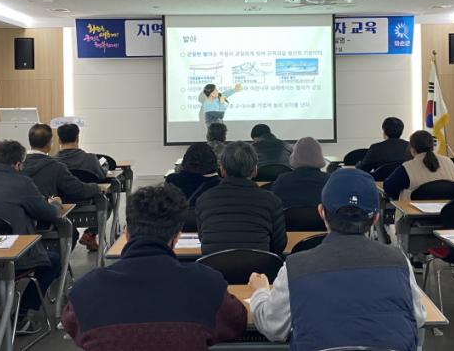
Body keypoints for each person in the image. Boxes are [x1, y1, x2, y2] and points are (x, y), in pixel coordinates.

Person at [249, 168, 425, 350]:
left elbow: (272, 328)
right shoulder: (399, 262)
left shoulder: (295, 268)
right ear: (375, 218)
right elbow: (418, 317)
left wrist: (260, 292)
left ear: (321, 212)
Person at [62, 184, 247, 350]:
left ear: (127, 233)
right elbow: (237, 321)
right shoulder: (207, 284)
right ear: (176, 237)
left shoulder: (86, 290)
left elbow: (72, 327)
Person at [0, 140, 62, 332]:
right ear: (17, 164)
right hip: (15, 256)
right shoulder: (22, 182)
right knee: (53, 261)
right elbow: (48, 214)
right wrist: (56, 204)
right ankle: (23, 314)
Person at [195, 141, 286, 255]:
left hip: (213, 265)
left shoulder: (203, 200)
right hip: (259, 264)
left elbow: (203, 239)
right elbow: (278, 246)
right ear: (255, 170)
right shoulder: (272, 201)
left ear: (222, 170)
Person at [22, 124, 101, 249]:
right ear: (50, 144)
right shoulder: (55, 166)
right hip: (48, 219)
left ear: (29, 142)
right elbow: (78, 190)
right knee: (71, 232)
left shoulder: (18, 166)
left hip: (23, 223)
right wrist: (97, 187)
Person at [384, 130, 454, 201]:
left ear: (412, 149)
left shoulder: (408, 168)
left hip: (414, 210)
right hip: (448, 208)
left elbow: (388, 188)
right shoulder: (449, 161)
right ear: (432, 147)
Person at [271, 137, 329, 208]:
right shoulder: (329, 181)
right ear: (319, 156)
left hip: (290, 215)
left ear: (294, 156)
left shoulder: (282, 180)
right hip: (320, 215)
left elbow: (274, 203)